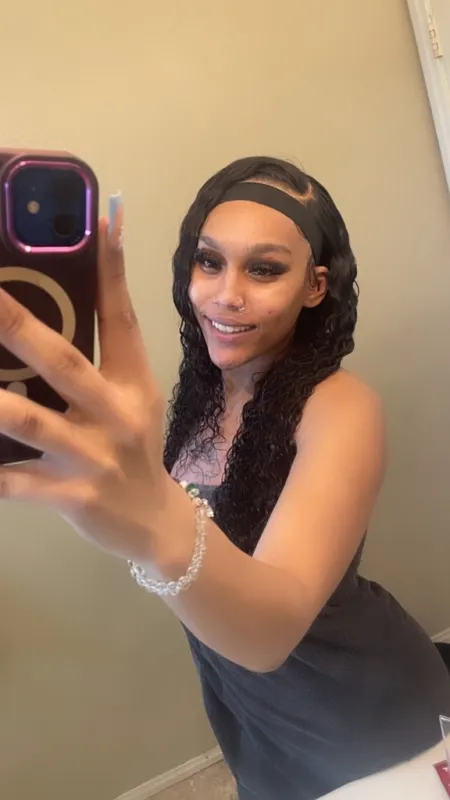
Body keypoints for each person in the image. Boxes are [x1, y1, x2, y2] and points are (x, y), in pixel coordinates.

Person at [0, 156, 448, 800]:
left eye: (263, 269)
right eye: (209, 261)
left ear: (315, 287)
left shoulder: (341, 407)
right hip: (256, 724)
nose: (226, 294)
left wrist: (154, 521)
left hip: (370, 726)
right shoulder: (203, 397)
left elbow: (270, 634)